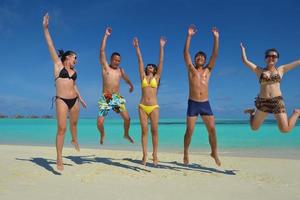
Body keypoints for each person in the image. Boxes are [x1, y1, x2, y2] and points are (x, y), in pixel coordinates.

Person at [43, 13, 87, 171]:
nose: (76, 60)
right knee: (62, 128)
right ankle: (59, 158)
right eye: (75, 58)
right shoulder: (57, 65)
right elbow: (50, 45)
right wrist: (45, 28)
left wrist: (80, 98)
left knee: (74, 124)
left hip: (74, 100)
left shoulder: (74, 72)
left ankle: (74, 140)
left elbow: (74, 85)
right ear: (68, 57)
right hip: (61, 99)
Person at [183, 24, 221, 166]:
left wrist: (216, 38)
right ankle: (186, 152)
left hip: (205, 103)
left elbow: (215, 55)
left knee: (212, 130)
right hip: (193, 103)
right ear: (195, 60)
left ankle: (214, 152)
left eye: (202, 57)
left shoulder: (208, 71)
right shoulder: (191, 69)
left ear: (205, 60)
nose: (199, 58)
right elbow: (185, 53)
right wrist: (189, 36)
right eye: (197, 57)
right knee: (190, 131)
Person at [241, 43, 300, 132]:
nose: (271, 57)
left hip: (277, 101)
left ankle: (296, 113)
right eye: (268, 56)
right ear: (265, 58)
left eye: (274, 56)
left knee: (285, 130)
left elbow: (298, 62)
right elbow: (245, 61)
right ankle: (252, 113)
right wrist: (243, 50)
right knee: (254, 128)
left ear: (277, 59)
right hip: (263, 101)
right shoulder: (259, 70)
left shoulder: (281, 69)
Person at [97, 27, 134, 145]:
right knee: (100, 123)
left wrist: (131, 85)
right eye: (115, 60)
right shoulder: (105, 67)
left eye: (119, 61)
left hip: (116, 98)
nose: (117, 62)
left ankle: (126, 134)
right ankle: (102, 134)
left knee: (127, 119)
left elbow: (126, 78)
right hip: (107, 97)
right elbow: (102, 50)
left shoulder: (120, 70)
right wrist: (106, 35)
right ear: (111, 59)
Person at [133, 36, 166, 166]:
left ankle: (155, 154)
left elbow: (161, 61)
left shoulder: (157, 78)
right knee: (144, 131)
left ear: (155, 69)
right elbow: (140, 61)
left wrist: (161, 47)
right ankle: (145, 154)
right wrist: (137, 47)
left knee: (154, 131)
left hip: (153, 107)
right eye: (149, 66)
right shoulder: (143, 77)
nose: (150, 67)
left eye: (152, 66)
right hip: (142, 106)